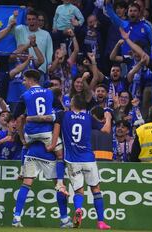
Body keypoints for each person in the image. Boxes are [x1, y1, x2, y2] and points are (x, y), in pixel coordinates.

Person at [47, 94, 111, 229]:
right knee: (96, 189)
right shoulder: (89, 118)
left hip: (72, 160)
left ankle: (78, 209)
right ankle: (101, 222)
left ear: (72, 103)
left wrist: (52, 145)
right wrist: (108, 117)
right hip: (88, 159)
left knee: (79, 191)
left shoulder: (63, 115)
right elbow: (106, 130)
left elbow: (56, 131)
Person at [11, 141, 72, 228]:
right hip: (49, 156)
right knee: (60, 185)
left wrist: (22, 167)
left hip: (31, 154)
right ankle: (64, 219)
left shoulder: (28, 128)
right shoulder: (52, 127)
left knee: (25, 185)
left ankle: (16, 218)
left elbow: (25, 146)